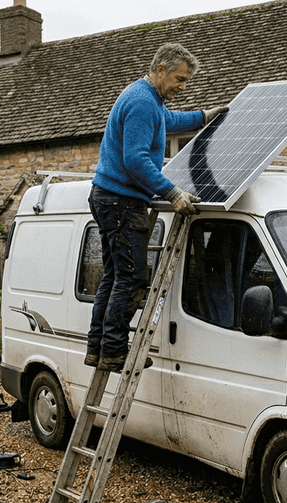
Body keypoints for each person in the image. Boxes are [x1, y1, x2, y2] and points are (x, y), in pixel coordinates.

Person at [86, 43, 228, 373]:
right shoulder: (141, 103)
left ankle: (100, 348)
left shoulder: (147, 98)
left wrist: (204, 116)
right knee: (132, 279)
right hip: (121, 202)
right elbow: (134, 159)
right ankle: (114, 352)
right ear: (160, 70)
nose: (183, 87)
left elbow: (169, 120)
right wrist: (172, 192)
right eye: (179, 79)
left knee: (114, 277)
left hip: (107, 197)